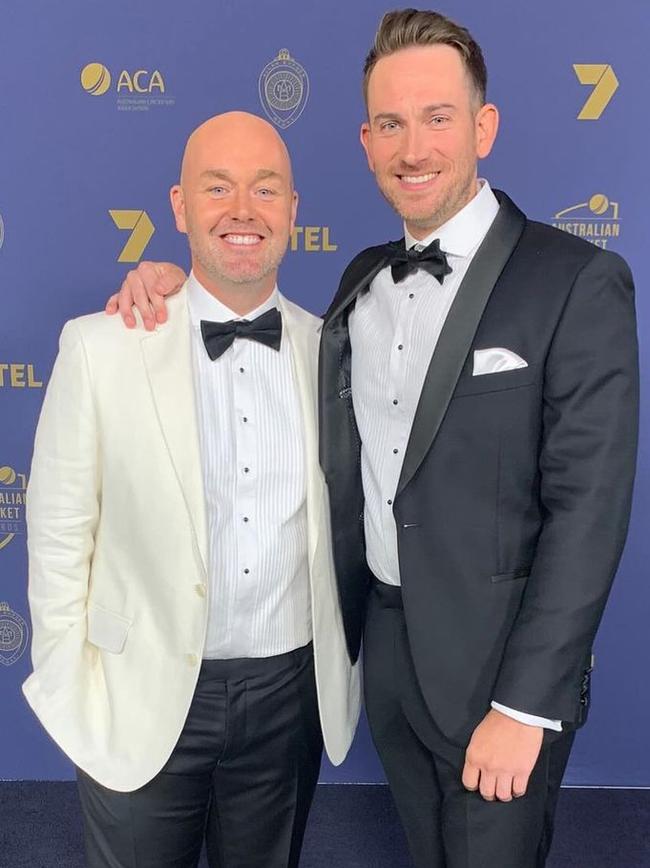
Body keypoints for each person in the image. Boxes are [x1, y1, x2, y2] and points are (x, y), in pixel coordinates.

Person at [107, 9, 639, 868]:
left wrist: (525, 706)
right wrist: (176, 285)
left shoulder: (576, 281)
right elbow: (260, 324)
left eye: (437, 118)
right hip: (384, 657)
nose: (413, 147)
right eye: (390, 123)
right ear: (364, 140)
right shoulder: (361, 280)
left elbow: (590, 513)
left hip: (500, 674)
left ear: (484, 127)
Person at [23, 111, 360, 868]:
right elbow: (57, 532)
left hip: (288, 695)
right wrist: (72, 688)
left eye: (265, 189)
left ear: (293, 212)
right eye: (219, 187)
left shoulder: (334, 351)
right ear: (180, 207)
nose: (243, 209)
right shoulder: (100, 347)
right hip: (138, 686)